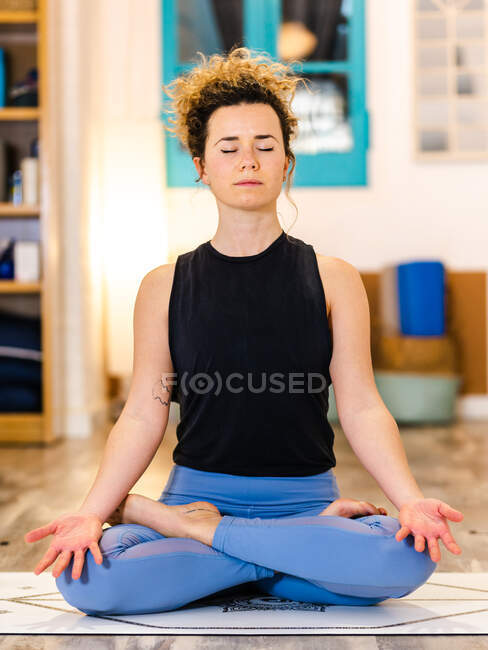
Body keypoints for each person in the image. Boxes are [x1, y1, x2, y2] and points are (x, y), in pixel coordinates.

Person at [24, 47, 464, 616]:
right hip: (199, 498)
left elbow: (360, 406)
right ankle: (287, 563)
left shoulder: (335, 280)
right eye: (228, 148)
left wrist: (409, 502)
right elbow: (142, 411)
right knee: (89, 581)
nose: (248, 161)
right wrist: (91, 512)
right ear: (202, 165)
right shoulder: (164, 284)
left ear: (286, 161)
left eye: (265, 146)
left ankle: (188, 541)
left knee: (408, 557)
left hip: (301, 504)